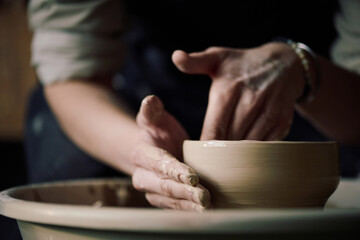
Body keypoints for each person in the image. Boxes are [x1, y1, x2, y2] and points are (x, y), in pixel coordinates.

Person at [25, 0, 360, 212]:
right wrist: (142, 152)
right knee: (64, 154)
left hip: (314, 95)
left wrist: (302, 66)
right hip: (145, 99)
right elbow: (73, 69)